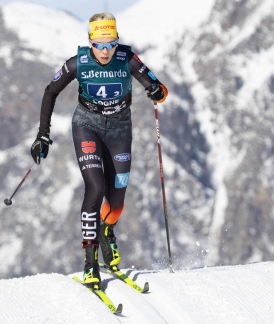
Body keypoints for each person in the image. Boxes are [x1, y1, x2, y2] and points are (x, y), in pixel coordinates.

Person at [30, 13, 168, 290]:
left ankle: (107, 231)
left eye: (111, 44)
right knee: (94, 187)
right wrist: (42, 134)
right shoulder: (77, 63)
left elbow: (160, 90)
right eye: (99, 45)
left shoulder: (127, 59)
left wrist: (156, 91)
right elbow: (50, 91)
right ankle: (90, 261)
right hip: (87, 126)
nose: (105, 51)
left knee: (117, 200)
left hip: (119, 129)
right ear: (90, 43)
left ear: (117, 42)